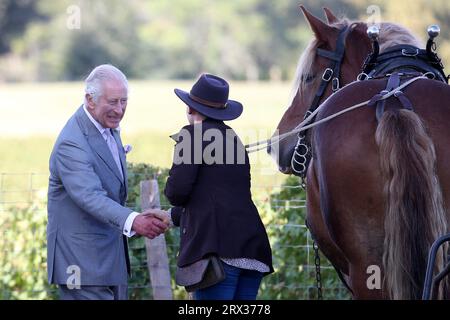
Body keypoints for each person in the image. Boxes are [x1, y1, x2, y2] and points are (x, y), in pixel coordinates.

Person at [47, 64, 169, 300]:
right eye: (113, 102)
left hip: (110, 261)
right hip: (81, 265)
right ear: (90, 100)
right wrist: (134, 221)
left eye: (124, 101)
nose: (120, 109)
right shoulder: (71, 143)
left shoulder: (108, 126)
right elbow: (90, 196)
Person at [163, 73, 273, 300]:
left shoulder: (191, 135)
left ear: (190, 109)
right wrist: (170, 217)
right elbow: (219, 198)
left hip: (218, 253)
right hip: (252, 250)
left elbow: (177, 192)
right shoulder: (234, 141)